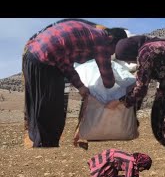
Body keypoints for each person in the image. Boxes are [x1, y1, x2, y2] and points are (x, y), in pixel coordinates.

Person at [23, 19, 128, 147]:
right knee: (48, 107)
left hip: (33, 55)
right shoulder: (101, 42)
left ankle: (44, 142)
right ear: (111, 39)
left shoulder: (89, 33)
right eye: (115, 48)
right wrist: (119, 86)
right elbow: (107, 78)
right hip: (42, 60)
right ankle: (44, 145)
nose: (112, 53)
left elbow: (65, 63)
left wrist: (80, 86)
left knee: (45, 105)